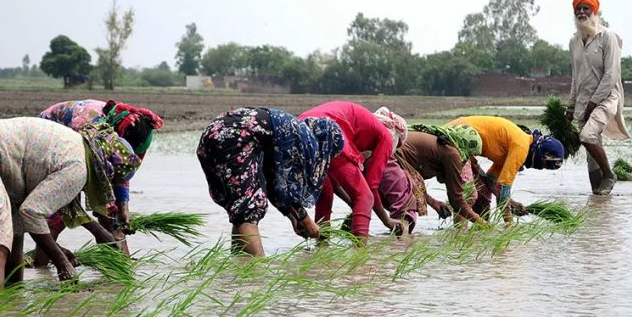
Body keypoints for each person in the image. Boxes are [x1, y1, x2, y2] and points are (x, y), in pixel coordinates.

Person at [0, 117, 139, 295]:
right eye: (111, 179)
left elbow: (48, 209)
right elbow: (31, 212)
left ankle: (11, 306)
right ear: (106, 166)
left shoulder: (76, 146)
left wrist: (99, 234)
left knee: (15, 235)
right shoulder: (78, 168)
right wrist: (62, 262)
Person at [196, 107, 344, 257]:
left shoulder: (290, 129)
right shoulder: (302, 138)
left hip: (213, 135)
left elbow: (273, 185)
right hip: (233, 138)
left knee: (242, 208)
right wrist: (306, 221)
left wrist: (293, 217)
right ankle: (256, 272)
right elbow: (287, 187)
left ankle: (239, 268)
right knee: (249, 208)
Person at [37, 99, 164, 259]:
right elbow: (84, 190)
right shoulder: (89, 128)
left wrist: (123, 207)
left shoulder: (139, 132)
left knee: (111, 215)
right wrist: (100, 224)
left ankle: (118, 264)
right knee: (58, 217)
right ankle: (42, 262)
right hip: (49, 144)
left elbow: (122, 171)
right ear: (119, 140)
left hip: (84, 153)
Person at [299, 101, 397, 241]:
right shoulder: (386, 136)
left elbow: (335, 181)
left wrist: (353, 202)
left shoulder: (363, 124)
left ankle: (321, 248)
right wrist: (387, 220)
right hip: (327, 130)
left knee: (325, 195)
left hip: (300, 129)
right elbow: (371, 187)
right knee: (365, 196)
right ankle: (359, 255)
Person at [566, 0, 630, 195]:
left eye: (586, 8)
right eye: (578, 9)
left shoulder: (607, 37)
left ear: (594, 11)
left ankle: (610, 175)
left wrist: (594, 103)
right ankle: (598, 195)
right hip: (584, 102)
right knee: (590, 154)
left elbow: (611, 75)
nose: (582, 12)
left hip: (606, 98)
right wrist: (570, 109)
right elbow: (576, 78)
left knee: (587, 135)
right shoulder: (574, 41)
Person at [445, 116, 564, 222]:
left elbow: (492, 181)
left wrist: (511, 202)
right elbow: (503, 191)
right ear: (541, 154)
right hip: (456, 136)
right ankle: (459, 235)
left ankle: (478, 234)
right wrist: (509, 227)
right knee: (469, 194)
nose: (540, 168)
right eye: (543, 165)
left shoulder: (514, 147)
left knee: (483, 193)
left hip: (464, 144)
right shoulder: (521, 148)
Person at [396, 124, 488, 225]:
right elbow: (457, 201)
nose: (467, 159)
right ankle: (401, 240)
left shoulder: (441, 143)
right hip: (392, 159)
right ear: (464, 147)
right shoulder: (452, 154)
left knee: (406, 212)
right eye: (470, 155)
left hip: (390, 157)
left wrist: (434, 203)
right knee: (407, 212)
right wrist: (485, 225)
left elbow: (414, 184)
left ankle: (398, 239)